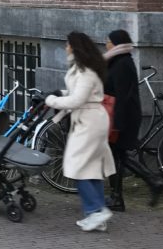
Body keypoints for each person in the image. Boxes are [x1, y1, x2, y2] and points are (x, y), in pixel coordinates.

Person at [44, 31, 115, 233]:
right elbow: (80, 94)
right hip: (90, 119)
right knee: (92, 167)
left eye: (67, 44)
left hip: (89, 122)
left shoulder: (86, 71)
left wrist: (52, 101)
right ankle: (96, 215)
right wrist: (62, 93)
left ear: (74, 47)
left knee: (77, 166)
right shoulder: (84, 68)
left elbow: (78, 100)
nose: (65, 47)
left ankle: (96, 210)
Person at [103, 29, 163, 210]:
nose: (106, 44)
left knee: (118, 155)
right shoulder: (118, 60)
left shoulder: (122, 63)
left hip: (122, 116)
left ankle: (152, 182)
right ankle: (119, 198)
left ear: (115, 43)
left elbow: (123, 96)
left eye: (108, 41)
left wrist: (118, 123)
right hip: (119, 115)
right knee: (118, 155)